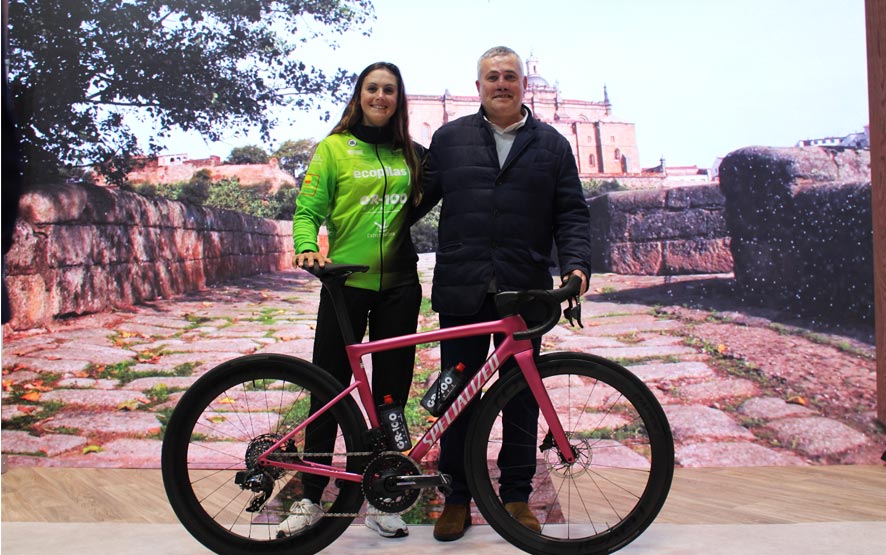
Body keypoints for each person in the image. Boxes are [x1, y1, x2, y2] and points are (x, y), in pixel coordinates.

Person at [415, 46, 592, 542]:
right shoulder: (449, 141)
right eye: (491, 77)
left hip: (524, 292)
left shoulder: (553, 145)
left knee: (520, 399)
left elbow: (572, 213)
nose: (501, 84)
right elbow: (412, 203)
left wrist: (577, 264)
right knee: (456, 398)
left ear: (523, 85)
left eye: (509, 76)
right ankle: (456, 498)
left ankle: (516, 495)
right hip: (463, 288)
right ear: (478, 87)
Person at [278, 61, 425, 539]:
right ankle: (310, 498)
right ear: (359, 95)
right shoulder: (334, 149)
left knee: (391, 396)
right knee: (328, 390)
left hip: (400, 286)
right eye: (372, 88)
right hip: (345, 286)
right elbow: (307, 210)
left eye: (389, 90)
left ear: (399, 100)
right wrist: (305, 245)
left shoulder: (413, 154)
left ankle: (382, 497)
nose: (380, 96)